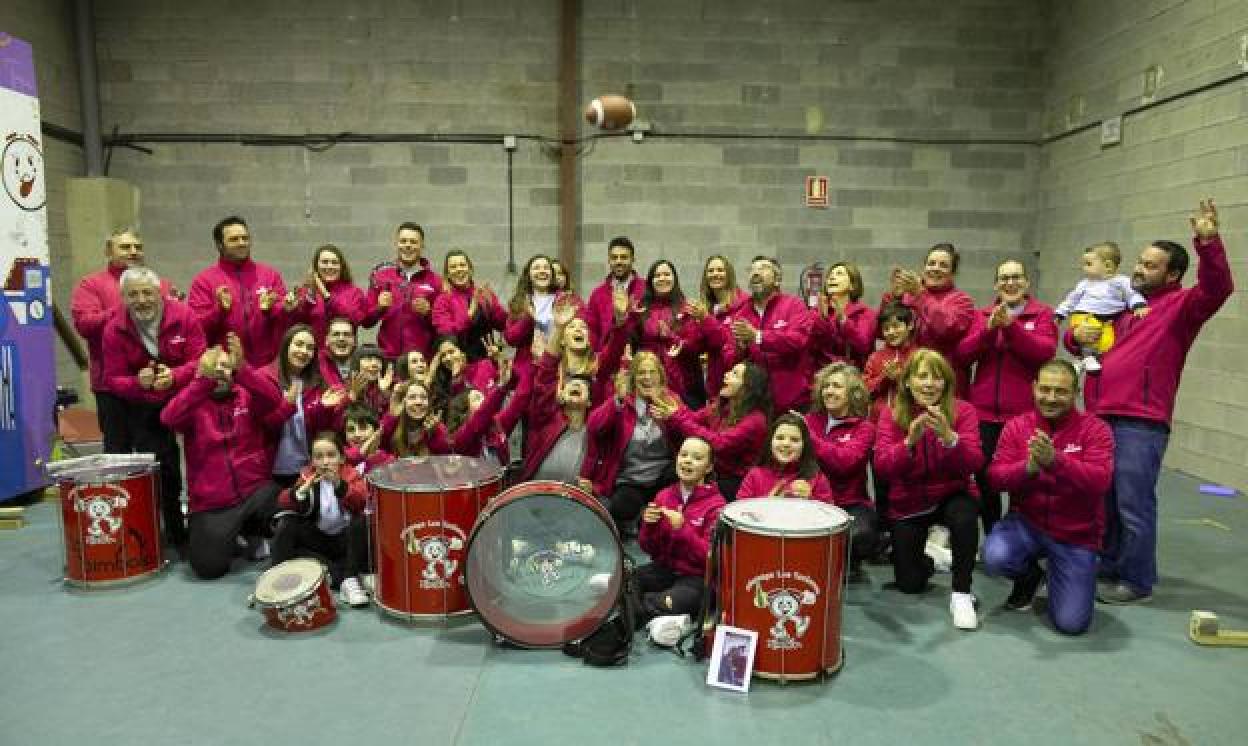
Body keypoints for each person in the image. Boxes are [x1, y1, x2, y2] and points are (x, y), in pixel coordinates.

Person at [1070, 199, 1233, 604]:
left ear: (1173, 274)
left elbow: (1219, 288)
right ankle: (1107, 565)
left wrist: (1208, 242)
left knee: (1133, 503)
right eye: (1139, 262)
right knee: (1104, 500)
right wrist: (1076, 338)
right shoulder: (1124, 308)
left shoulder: (1183, 307)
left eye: (1150, 265)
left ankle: (1138, 579)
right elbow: (1080, 333)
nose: (1139, 269)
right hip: (1101, 414)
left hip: (1141, 421)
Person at [984, 360, 1114, 635]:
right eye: (1045, 389)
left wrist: (1056, 461)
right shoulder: (1016, 427)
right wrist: (1027, 468)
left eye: (1060, 391)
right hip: (1026, 524)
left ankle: (1064, 572)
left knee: (1071, 624)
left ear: (1076, 393)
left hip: (1075, 536)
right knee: (994, 557)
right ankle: (1032, 576)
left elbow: (1100, 481)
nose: (1051, 398)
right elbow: (995, 478)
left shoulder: (1096, 430)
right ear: (1033, 389)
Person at [873, 348, 983, 630]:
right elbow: (883, 468)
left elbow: (974, 462)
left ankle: (961, 592)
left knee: (965, 516)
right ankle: (933, 555)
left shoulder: (964, 410)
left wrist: (950, 438)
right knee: (909, 584)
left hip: (951, 492)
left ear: (946, 383)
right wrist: (908, 442)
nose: (929, 384)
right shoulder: (890, 415)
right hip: (909, 501)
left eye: (937, 378)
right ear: (907, 381)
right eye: (922, 376)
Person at [160, 336, 286, 580]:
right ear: (203, 372)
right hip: (213, 503)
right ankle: (236, 536)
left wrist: (244, 371)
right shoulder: (193, 402)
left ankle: (250, 532)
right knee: (208, 568)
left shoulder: (245, 394)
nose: (221, 373)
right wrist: (202, 383)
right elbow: (167, 418)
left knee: (287, 511)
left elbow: (274, 398)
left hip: (254, 490)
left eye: (226, 367)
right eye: (214, 368)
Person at [101, 267, 205, 552]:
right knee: (163, 467)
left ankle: (192, 525)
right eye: (133, 294)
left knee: (199, 460)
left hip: (185, 397)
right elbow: (112, 379)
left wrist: (175, 376)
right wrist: (138, 382)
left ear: (160, 292)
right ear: (123, 297)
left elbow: (199, 362)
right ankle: (167, 532)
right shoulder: (113, 328)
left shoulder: (185, 316)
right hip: (144, 404)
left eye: (147, 292)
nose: (142, 299)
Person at [956, 260, 1057, 534]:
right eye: (1003, 278)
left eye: (1015, 278)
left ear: (1026, 283)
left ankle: (1018, 533)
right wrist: (989, 330)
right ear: (996, 285)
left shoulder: (1043, 314)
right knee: (986, 477)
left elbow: (1044, 352)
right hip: (984, 414)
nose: (1009, 283)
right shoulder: (982, 314)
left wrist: (1011, 327)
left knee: (1022, 475)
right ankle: (991, 533)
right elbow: (964, 354)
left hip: (1023, 414)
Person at [70, 227, 175, 451]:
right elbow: (85, 326)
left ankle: (164, 489)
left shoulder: (159, 284)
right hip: (111, 387)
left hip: (155, 385)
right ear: (108, 252)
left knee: (161, 453)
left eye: (138, 247)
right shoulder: (91, 285)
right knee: (119, 453)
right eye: (125, 247)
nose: (133, 251)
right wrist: (125, 308)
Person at [271, 431, 371, 607]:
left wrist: (338, 484)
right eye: (319, 457)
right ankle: (282, 579)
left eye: (331, 456)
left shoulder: (352, 474)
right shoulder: (307, 476)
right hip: (317, 542)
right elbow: (282, 501)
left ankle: (347, 579)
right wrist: (299, 493)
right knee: (286, 523)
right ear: (312, 460)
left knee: (361, 522)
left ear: (341, 458)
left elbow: (361, 500)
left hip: (344, 541)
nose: (325, 462)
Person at [636, 436, 726, 627]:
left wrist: (682, 529)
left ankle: (639, 609)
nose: (687, 460)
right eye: (683, 454)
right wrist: (648, 525)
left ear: (709, 468)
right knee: (626, 580)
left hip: (696, 579)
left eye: (696, 457)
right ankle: (655, 613)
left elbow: (711, 558)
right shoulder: (663, 496)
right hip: (664, 570)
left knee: (672, 601)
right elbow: (647, 548)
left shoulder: (717, 506)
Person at [585, 350, 678, 532]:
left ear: (660, 377)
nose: (647, 377)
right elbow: (594, 426)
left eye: (652, 372)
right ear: (633, 379)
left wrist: (673, 417)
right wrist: (616, 400)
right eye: (642, 373)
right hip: (631, 479)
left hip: (663, 476)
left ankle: (652, 514)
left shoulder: (671, 400)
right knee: (621, 509)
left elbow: (689, 432)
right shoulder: (623, 403)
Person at [657, 361, 770, 502]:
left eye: (734, 374)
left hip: (735, 480)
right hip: (712, 470)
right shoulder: (722, 405)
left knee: (697, 491)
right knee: (667, 474)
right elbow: (693, 418)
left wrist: (677, 418)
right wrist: (671, 411)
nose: (726, 375)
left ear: (747, 387)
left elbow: (719, 443)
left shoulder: (755, 420)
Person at [805, 363, 878, 580]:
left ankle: (848, 561)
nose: (829, 391)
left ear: (852, 393)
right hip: (811, 499)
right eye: (826, 386)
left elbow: (846, 463)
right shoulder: (810, 420)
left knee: (861, 535)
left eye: (836, 386)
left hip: (849, 503)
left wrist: (810, 440)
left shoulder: (864, 428)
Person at [188, 216, 288, 367]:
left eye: (245, 238)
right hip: (225, 369)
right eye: (234, 239)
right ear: (220, 245)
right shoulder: (203, 281)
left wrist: (272, 309)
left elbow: (285, 320)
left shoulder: (270, 275)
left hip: (266, 367)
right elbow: (196, 329)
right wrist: (219, 311)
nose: (242, 243)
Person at [881, 243, 976, 394]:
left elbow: (946, 328)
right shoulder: (909, 296)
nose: (935, 268)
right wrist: (892, 298)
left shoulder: (962, 301)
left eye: (943, 265)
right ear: (924, 267)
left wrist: (920, 294)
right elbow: (884, 332)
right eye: (931, 263)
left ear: (952, 272)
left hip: (943, 384)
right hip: (907, 382)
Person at [627, 259, 721, 410]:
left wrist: (672, 337)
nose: (662, 278)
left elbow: (698, 346)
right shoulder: (639, 309)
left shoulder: (688, 308)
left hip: (685, 386)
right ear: (650, 281)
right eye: (657, 275)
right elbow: (630, 343)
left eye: (666, 274)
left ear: (674, 278)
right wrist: (628, 317)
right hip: (649, 382)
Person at [729, 256, 814, 413]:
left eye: (763, 268)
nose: (755, 272)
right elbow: (735, 361)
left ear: (777, 280)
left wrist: (758, 336)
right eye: (752, 269)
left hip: (794, 400)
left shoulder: (794, 305)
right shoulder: (741, 314)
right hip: (757, 404)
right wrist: (740, 349)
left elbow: (798, 340)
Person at [269, 324, 348, 487]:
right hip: (271, 469)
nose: (304, 351)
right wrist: (286, 407)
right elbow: (263, 427)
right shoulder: (266, 377)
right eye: (299, 344)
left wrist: (323, 407)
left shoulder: (317, 383)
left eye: (310, 348)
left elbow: (323, 429)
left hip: (309, 467)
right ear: (286, 346)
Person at [1054, 242, 1148, 372]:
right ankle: (1087, 357)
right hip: (1083, 316)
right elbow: (1071, 300)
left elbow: (1132, 295)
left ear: (1108, 266)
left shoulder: (1121, 281)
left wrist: (1139, 306)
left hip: (1107, 320)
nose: (1084, 268)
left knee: (1106, 342)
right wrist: (1059, 314)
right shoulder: (1084, 284)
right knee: (1089, 335)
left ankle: (1083, 360)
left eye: (1088, 264)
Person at [363, 222, 443, 359]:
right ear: (396, 244)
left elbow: (444, 326)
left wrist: (429, 314)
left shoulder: (436, 281)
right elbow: (366, 322)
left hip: (421, 361)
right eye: (403, 241)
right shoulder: (381, 276)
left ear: (422, 246)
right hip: (388, 357)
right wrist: (380, 308)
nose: (408, 245)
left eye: (413, 242)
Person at [432, 249, 507, 381]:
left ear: (470, 269)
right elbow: (447, 334)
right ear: (447, 274)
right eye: (453, 267)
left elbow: (504, 325)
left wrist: (494, 307)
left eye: (462, 265)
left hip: (486, 364)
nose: (458, 269)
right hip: (458, 368)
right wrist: (469, 315)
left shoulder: (483, 293)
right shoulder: (442, 300)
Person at [738, 413, 834, 501]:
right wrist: (768, 504)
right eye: (780, 438)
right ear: (770, 441)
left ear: (804, 445)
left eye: (794, 440)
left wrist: (810, 500)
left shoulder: (817, 478)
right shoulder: (754, 476)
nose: (786, 444)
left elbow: (830, 516)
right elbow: (739, 514)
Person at [283, 243, 367, 342]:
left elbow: (356, 319)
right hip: (312, 354)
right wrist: (292, 310)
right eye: (325, 262)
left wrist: (327, 297)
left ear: (341, 267)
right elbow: (296, 327)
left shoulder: (355, 292)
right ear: (316, 266)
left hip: (344, 353)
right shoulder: (305, 292)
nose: (330, 266)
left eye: (334, 262)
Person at [810, 261, 877, 371]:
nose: (832, 278)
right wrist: (822, 320)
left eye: (839, 274)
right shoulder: (816, 312)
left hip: (853, 376)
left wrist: (843, 320)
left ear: (852, 285)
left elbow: (863, 346)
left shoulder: (866, 314)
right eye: (830, 276)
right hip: (822, 377)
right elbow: (812, 347)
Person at [584, 236, 645, 354]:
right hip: (607, 357)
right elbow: (592, 330)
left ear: (633, 259)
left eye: (624, 257)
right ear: (609, 260)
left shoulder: (645, 289)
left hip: (641, 362)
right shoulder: (597, 294)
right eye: (614, 257)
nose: (618, 261)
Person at [699, 254, 748, 396]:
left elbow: (728, 345)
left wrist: (707, 320)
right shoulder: (707, 307)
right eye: (711, 271)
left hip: (739, 384)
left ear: (729, 274)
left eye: (720, 270)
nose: (715, 274)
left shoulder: (744, 304)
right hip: (715, 384)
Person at [382, 378, 450, 459]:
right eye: (412, 397)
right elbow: (380, 449)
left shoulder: (438, 428)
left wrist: (434, 434)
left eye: (424, 397)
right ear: (402, 402)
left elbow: (446, 460)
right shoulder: (392, 425)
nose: (419, 402)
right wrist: (391, 417)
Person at [319, 317, 358, 389]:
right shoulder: (315, 365)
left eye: (347, 334)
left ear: (354, 341)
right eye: (336, 334)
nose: (341, 338)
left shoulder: (363, 365)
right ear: (326, 340)